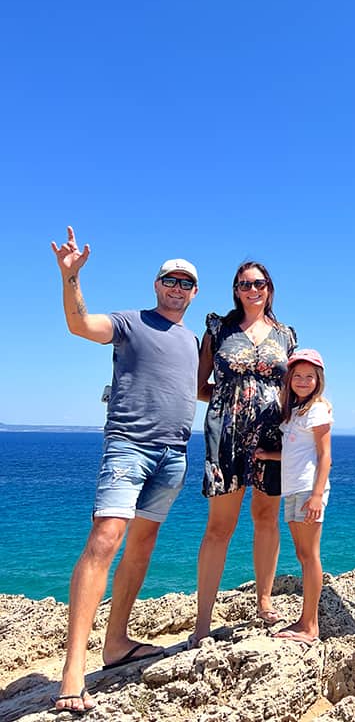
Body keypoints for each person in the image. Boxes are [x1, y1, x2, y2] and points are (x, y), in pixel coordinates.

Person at [50, 227, 199, 715]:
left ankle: (116, 643)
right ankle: (73, 671)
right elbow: (80, 326)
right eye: (170, 281)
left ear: (194, 293)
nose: (177, 289)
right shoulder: (131, 322)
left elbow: (191, 389)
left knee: (142, 545)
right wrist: (71, 279)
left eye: (185, 283)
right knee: (106, 539)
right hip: (129, 446)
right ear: (157, 286)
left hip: (173, 455)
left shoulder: (193, 339)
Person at [191, 261, 297, 645]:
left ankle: (265, 603)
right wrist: (228, 403)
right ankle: (203, 621)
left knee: (267, 519)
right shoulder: (218, 329)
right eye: (244, 284)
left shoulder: (286, 335)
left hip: (273, 436)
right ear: (235, 289)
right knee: (219, 527)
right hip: (227, 436)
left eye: (259, 283)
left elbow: (294, 388)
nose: (252, 289)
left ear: (269, 287)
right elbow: (200, 385)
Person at [257, 348, 333, 647]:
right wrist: (268, 455)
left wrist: (316, 495)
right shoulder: (296, 411)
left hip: (307, 490)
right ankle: (305, 620)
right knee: (303, 555)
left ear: (319, 380)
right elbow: (295, 452)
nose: (303, 381)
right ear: (290, 379)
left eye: (309, 376)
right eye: (298, 376)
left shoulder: (318, 409)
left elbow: (324, 455)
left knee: (309, 555)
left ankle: (310, 625)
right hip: (293, 488)